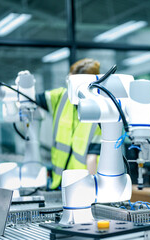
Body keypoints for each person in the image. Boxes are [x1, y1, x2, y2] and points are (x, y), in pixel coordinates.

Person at [36, 58, 102, 189]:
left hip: (80, 185)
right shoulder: (60, 97)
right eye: (69, 81)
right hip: (58, 183)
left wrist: (92, 190)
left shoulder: (100, 109)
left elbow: (92, 158)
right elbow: (31, 98)